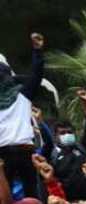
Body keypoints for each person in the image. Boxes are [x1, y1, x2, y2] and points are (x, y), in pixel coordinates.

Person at [0, 33, 45, 195]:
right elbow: (36, 76)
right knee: (14, 196)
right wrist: (37, 51)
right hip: (13, 152)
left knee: (26, 195)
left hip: (17, 152)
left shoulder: (22, 94)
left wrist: (37, 51)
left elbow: (36, 76)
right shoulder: (23, 93)